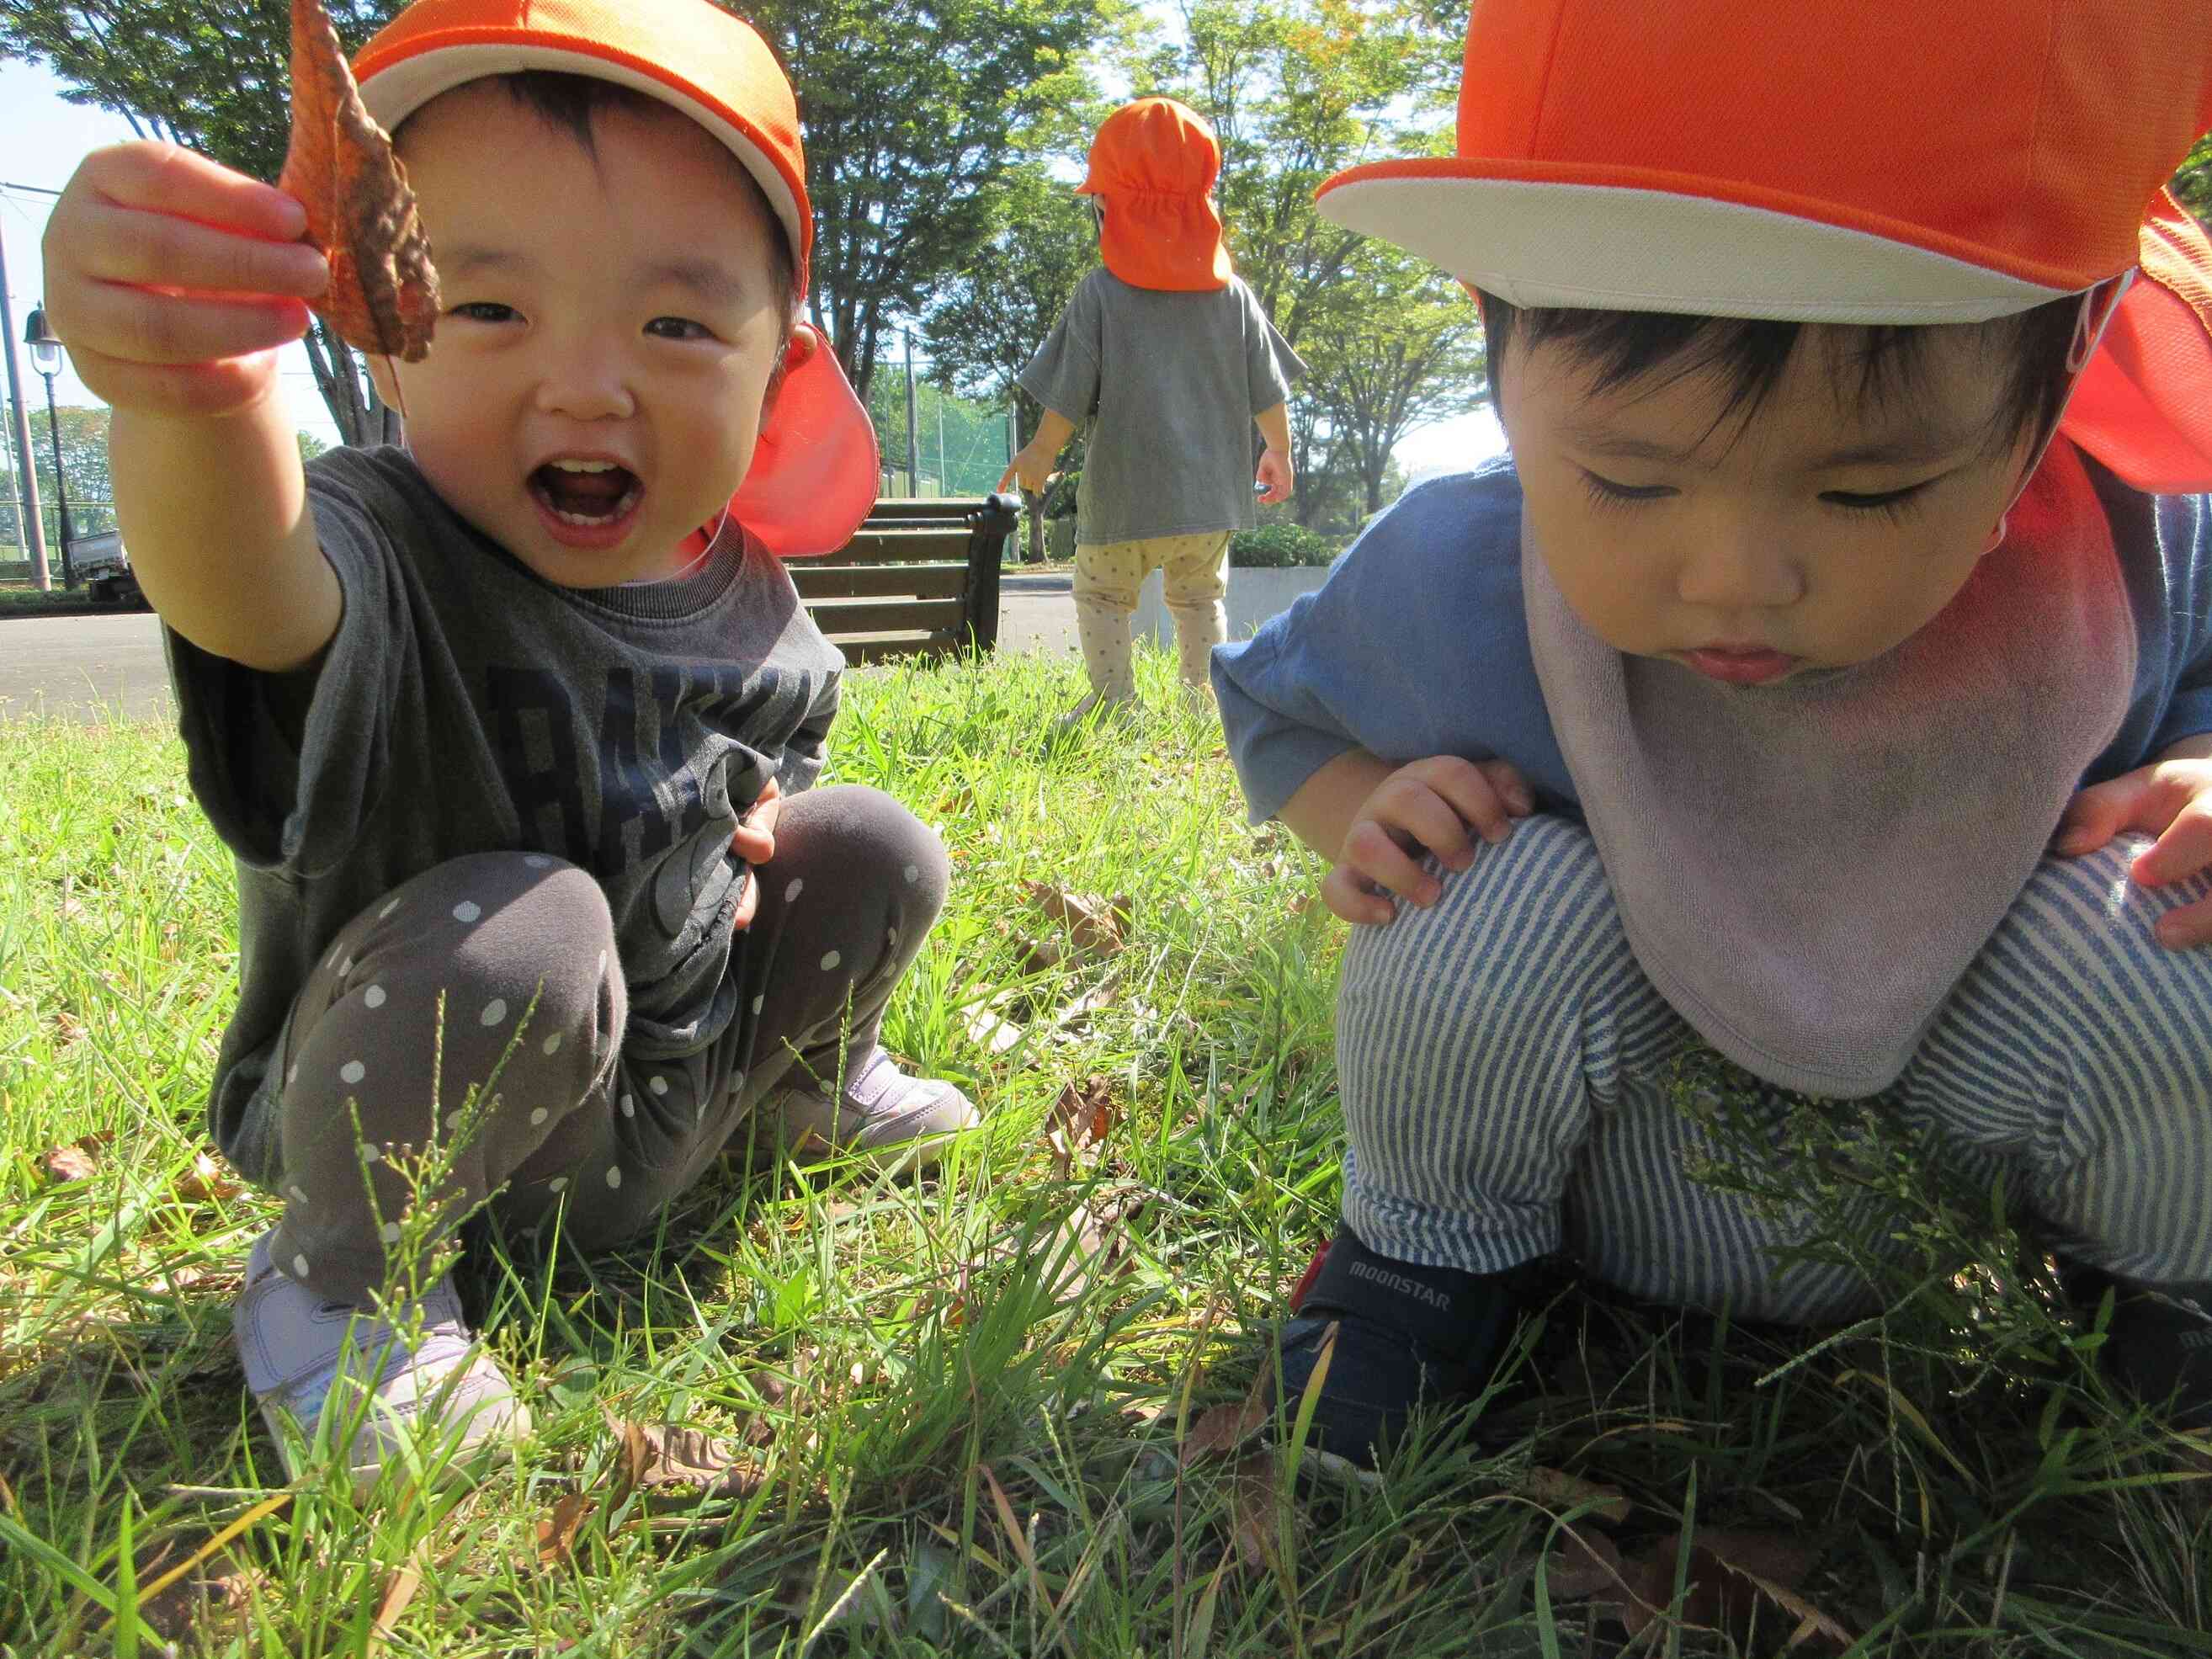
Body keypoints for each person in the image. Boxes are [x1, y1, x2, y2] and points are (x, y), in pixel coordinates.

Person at [1212, 0, 2212, 1465]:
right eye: (1627, 480)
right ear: (1499, 357)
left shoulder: (2119, 565)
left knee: (2165, 928)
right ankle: (1419, 1271)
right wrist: (1366, 802)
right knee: (1472, 896)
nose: (1734, 574)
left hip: (1953, 1151)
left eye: (1864, 492)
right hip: (1616, 1147)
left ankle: (2173, 1297)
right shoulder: (1468, 571)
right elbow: (1269, 708)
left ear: (2048, 392)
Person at [40, 0, 981, 1485]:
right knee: (529, 932)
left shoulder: (748, 593)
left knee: (876, 844)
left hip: (670, 1091)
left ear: (777, 372)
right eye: (489, 309)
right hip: (423, 1109)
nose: (589, 381)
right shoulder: (384, 542)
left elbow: (766, 785)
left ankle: (807, 1091)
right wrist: (192, 394)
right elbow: (241, 583)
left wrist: (760, 841)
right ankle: (341, 1288)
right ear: (391, 338)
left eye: (675, 324)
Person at [999, 97, 1306, 728]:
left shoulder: (1101, 295)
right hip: (1208, 502)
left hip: (1124, 499)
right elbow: (1266, 391)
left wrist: (1042, 452)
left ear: (1109, 207)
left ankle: (1115, 702)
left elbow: (1068, 396)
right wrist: (1279, 451)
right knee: (1199, 599)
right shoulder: (1234, 299)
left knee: (1104, 594)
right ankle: (1201, 705)